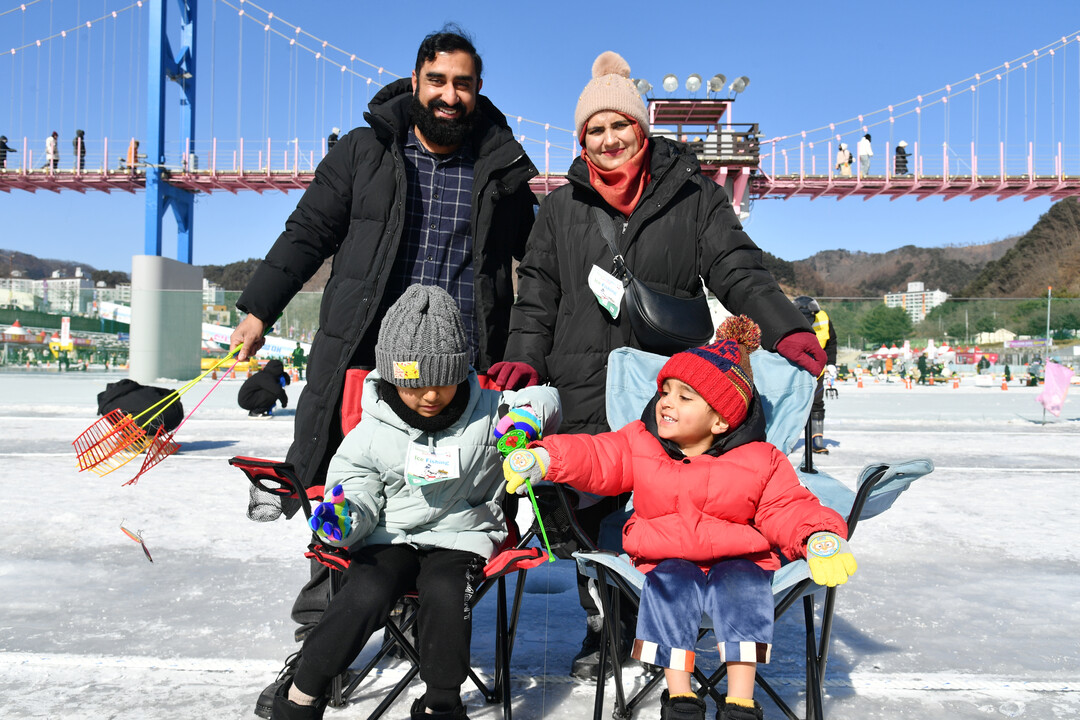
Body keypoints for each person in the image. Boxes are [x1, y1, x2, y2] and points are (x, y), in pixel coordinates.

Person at [229, 26, 539, 717]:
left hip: (460, 372)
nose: (449, 95)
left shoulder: (503, 168)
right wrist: (257, 310)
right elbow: (306, 232)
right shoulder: (365, 150)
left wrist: (528, 349)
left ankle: (416, 628)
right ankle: (320, 645)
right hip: (364, 358)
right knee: (344, 488)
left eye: (462, 83)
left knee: (446, 494)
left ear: (477, 89)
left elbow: (538, 266)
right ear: (416, 80)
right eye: (438, 81)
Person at [486, 50, 824, 681]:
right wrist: (523, 360)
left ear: (641, 129)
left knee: (660, 502)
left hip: (663, 380)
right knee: (586, 505)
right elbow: (537, 293)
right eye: (595, 130)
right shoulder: (561, 208)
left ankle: (660, 618)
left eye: (621, 125)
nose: (609, 140)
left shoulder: (692, 193)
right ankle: (605, 623)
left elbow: (737, 268)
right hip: (582, 374)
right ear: (582, 139)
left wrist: (785, 328)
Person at [501, 317, 856, 720]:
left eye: (685, 397)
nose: (666, 402)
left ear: (721, 419)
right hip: (665, 558)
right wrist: (546, 457)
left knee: (744, 588)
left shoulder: (761, 459)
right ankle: (680, 695)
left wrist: (819, 537)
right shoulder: (641, 442)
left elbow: (787, 507)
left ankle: (740, 699)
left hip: (739, 558)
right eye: (665, 391)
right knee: (669, 587)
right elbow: (597, 455)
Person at [269, 285, 561, 720]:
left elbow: (549, 398)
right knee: (366, 588)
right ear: (392, 378)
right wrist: (345, 518)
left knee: (445, 590)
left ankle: (442, 702)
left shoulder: (487, 411)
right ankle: (303, 690)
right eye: (414, 385)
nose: (429, 396)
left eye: (443, 381)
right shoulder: (372, 430)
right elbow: (356, 487)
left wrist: (526, 418)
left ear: (460, 371)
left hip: (462, 535)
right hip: (390, 535)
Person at [793, 296, 836, 454]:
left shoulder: (823, 319)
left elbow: (832, 342)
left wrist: (831, 362)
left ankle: (816, 440)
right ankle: (786, 439)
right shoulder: (785, 319)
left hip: (818, 367)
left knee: (817, 402)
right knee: (792, 403)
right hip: (794, 367)